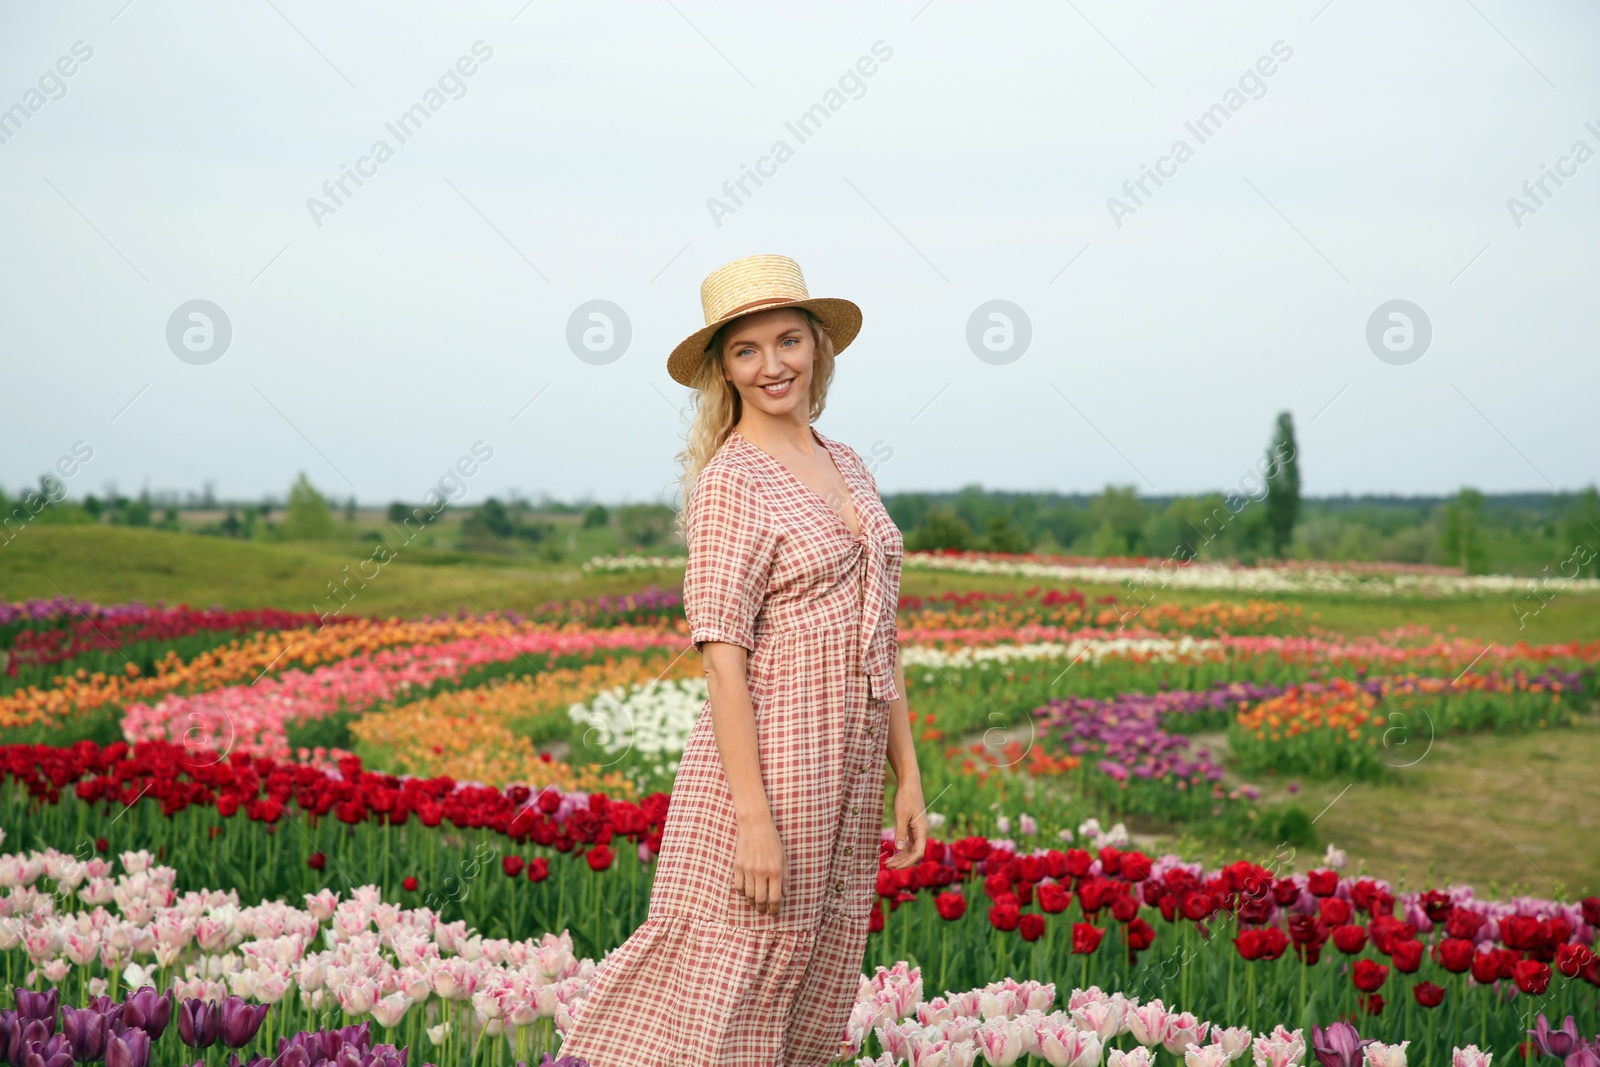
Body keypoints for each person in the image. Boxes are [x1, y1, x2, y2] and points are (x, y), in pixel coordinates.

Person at [557, 253, 928, 1066]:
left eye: (788, 340)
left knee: (817, 969)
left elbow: (883, 634)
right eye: (746, 350)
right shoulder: (733, 480)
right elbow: (723, 658)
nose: (773, 365)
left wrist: (909, 774)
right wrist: (753, 819)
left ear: (817, 349)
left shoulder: (849, 463)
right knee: (741, 973)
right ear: (723, 369)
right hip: (773, 766)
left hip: (854, 764)